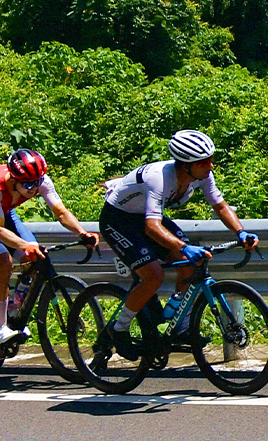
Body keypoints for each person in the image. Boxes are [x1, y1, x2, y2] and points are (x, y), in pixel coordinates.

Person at [95, 130, 257, 348]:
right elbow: (152, 227)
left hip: (145, 217)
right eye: (204, 162)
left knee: (191, 263)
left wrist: (241, 232)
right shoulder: (159, 179)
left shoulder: (203, 176)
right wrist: (184, 247)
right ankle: (119, 329)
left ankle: (179, 325)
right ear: (185, 166)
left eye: (211, 159)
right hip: (118, 220)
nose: (211, 166)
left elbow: (220, 206)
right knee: (154, 275)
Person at [0, 149, 97, 347]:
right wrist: (25, 245)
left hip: (6, 214)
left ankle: (14, 309)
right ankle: (1, 328)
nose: (34, 188)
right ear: (13, 179)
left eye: (37, 182)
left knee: (35, 258)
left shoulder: (39, 180)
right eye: (28, 184)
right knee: (4, 263)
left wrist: (83, 233)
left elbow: (61, 212)